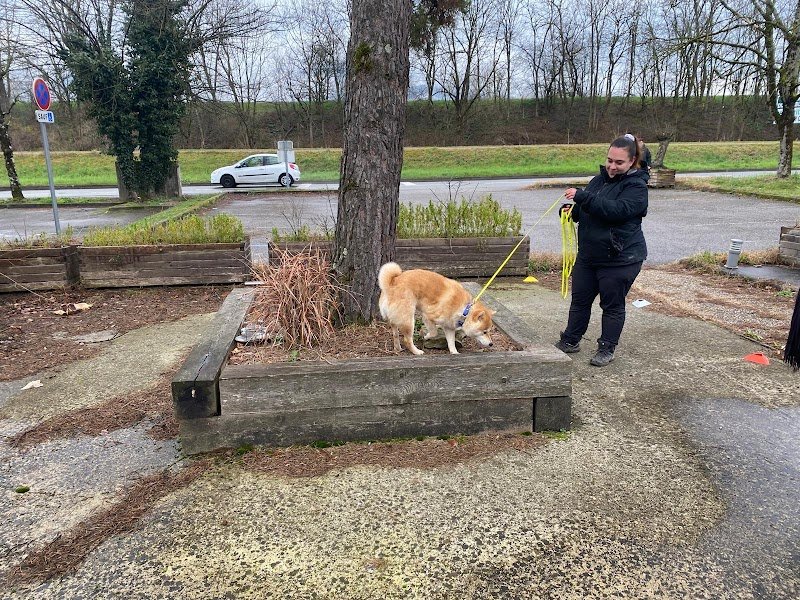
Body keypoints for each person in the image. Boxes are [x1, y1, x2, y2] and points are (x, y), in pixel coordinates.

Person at [555, 135, 649, 367]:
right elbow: (587, 209)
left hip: (621, 258)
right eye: (610, 160)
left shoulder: (637, 186)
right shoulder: (598, 180)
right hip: (589, 256)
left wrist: (583, 197)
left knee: (612, 305)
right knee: (580, 300)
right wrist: (571, 211)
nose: (612, 166)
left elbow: (615, 211)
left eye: (619, 163)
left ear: (632, 161)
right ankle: (570, 340)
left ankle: (607, 348)